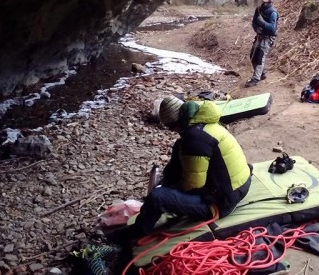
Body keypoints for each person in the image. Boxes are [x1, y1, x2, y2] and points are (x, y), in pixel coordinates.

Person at [107, 96, 252, 244]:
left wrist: (170, 190)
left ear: (176, 122)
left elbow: (194, 184)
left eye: (170, 127)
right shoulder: (205, 125)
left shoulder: (194, 138)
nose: (172, 131)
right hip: (241, 184)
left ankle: (135, 233)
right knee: (178, 155)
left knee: (157, 197)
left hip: (222, 202)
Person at [246, 0, 278, 87]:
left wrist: (263, 23)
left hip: (267, 38)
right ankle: (262, 73)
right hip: (259, 36)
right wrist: (256, 28)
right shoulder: (259, 9)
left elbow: (272, 27)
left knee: (260, 57)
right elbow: (254, 22)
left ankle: (255, 78)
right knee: (253, 56)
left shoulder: (273, 12)